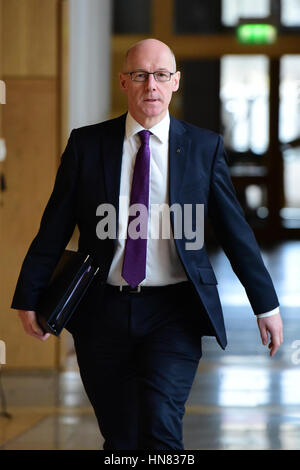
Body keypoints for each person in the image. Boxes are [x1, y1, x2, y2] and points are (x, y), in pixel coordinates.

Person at [11, 38, 283, 450]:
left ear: (175, 82)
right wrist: (29, 295)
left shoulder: (202, 148)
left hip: (174, 312)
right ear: (124, 81)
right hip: (101, 309)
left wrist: (266, 304)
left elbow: (234, 230)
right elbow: (54, 227)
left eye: (160, 75)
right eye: (140, 75)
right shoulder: (88, 145)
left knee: (160, 430)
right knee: (120, 438)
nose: (150, 86)